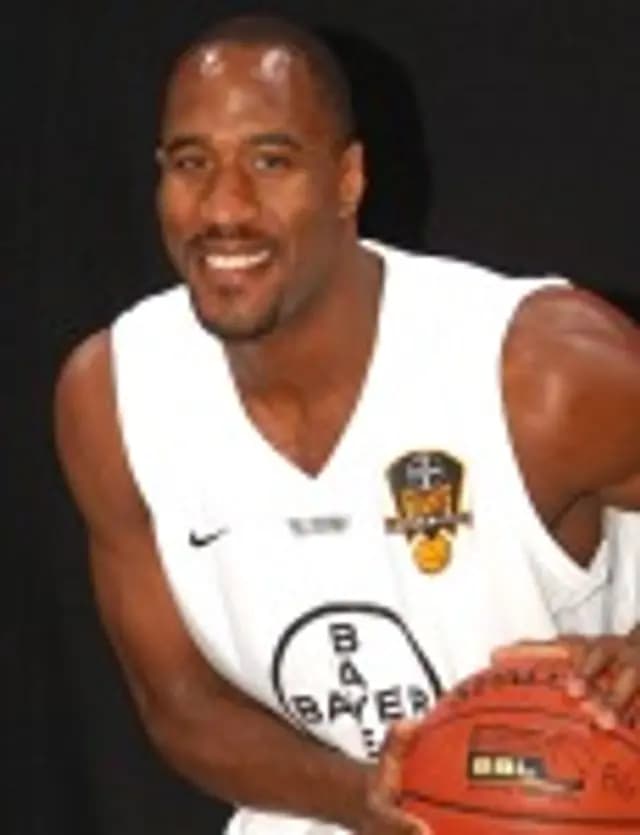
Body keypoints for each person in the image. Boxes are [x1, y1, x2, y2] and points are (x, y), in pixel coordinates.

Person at [54, 13, 640, 835]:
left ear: (348, 180)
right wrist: (371, 794)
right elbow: (181, 705)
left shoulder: (541, 370)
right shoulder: (114, 396)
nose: (224, 206)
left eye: (271, 160)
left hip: (575, 803)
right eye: (192, 162)